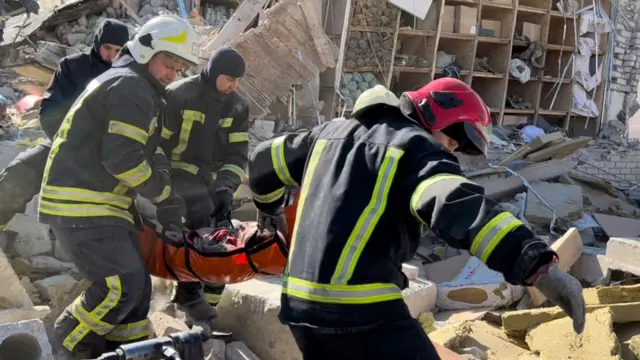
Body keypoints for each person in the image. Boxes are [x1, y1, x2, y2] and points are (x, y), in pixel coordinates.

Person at [247, 80, 586, 360]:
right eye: (453, 139)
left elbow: (263, 161)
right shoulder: (417, 149)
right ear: (436, 117)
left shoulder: (327, 133)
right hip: (361, 310)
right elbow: (455, 205)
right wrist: (535, 264)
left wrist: (270, 210)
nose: (450, 149)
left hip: (299, 307)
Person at [38, 15, 198, 359]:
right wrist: (163, 196)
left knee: (138, 290)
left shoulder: (137, 87)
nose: (173, 74)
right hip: (83, 204)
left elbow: (147, 150)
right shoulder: (131, 87)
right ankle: (63, 349)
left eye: (179, 68)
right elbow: (123, 160)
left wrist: (164, 181)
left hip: (99, 204)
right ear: (145, 50)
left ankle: (131, 350)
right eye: (169, 63)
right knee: (119, 285)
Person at [0, 18, 129, 234]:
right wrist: (70, 145)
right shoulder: (72, 66)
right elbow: (50, 110)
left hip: (106, 157)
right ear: (98, 43)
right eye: (107, 48)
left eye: (118, 50)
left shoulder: (128, 78)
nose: (112, 56)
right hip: (65, 144)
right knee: (19, 172)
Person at [159, 46, 248, 328]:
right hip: (177, 176)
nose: (233, 86)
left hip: (213, 182)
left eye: (237, 80)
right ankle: (188, 296)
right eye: (228, 79)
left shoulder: (237, 106)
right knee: (202, 224)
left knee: (225, 239)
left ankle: (205, 313)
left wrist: (226, 189)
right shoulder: (178, 95)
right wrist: (163, 185)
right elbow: (159, 146)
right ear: (212, 73)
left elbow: (236, 156)